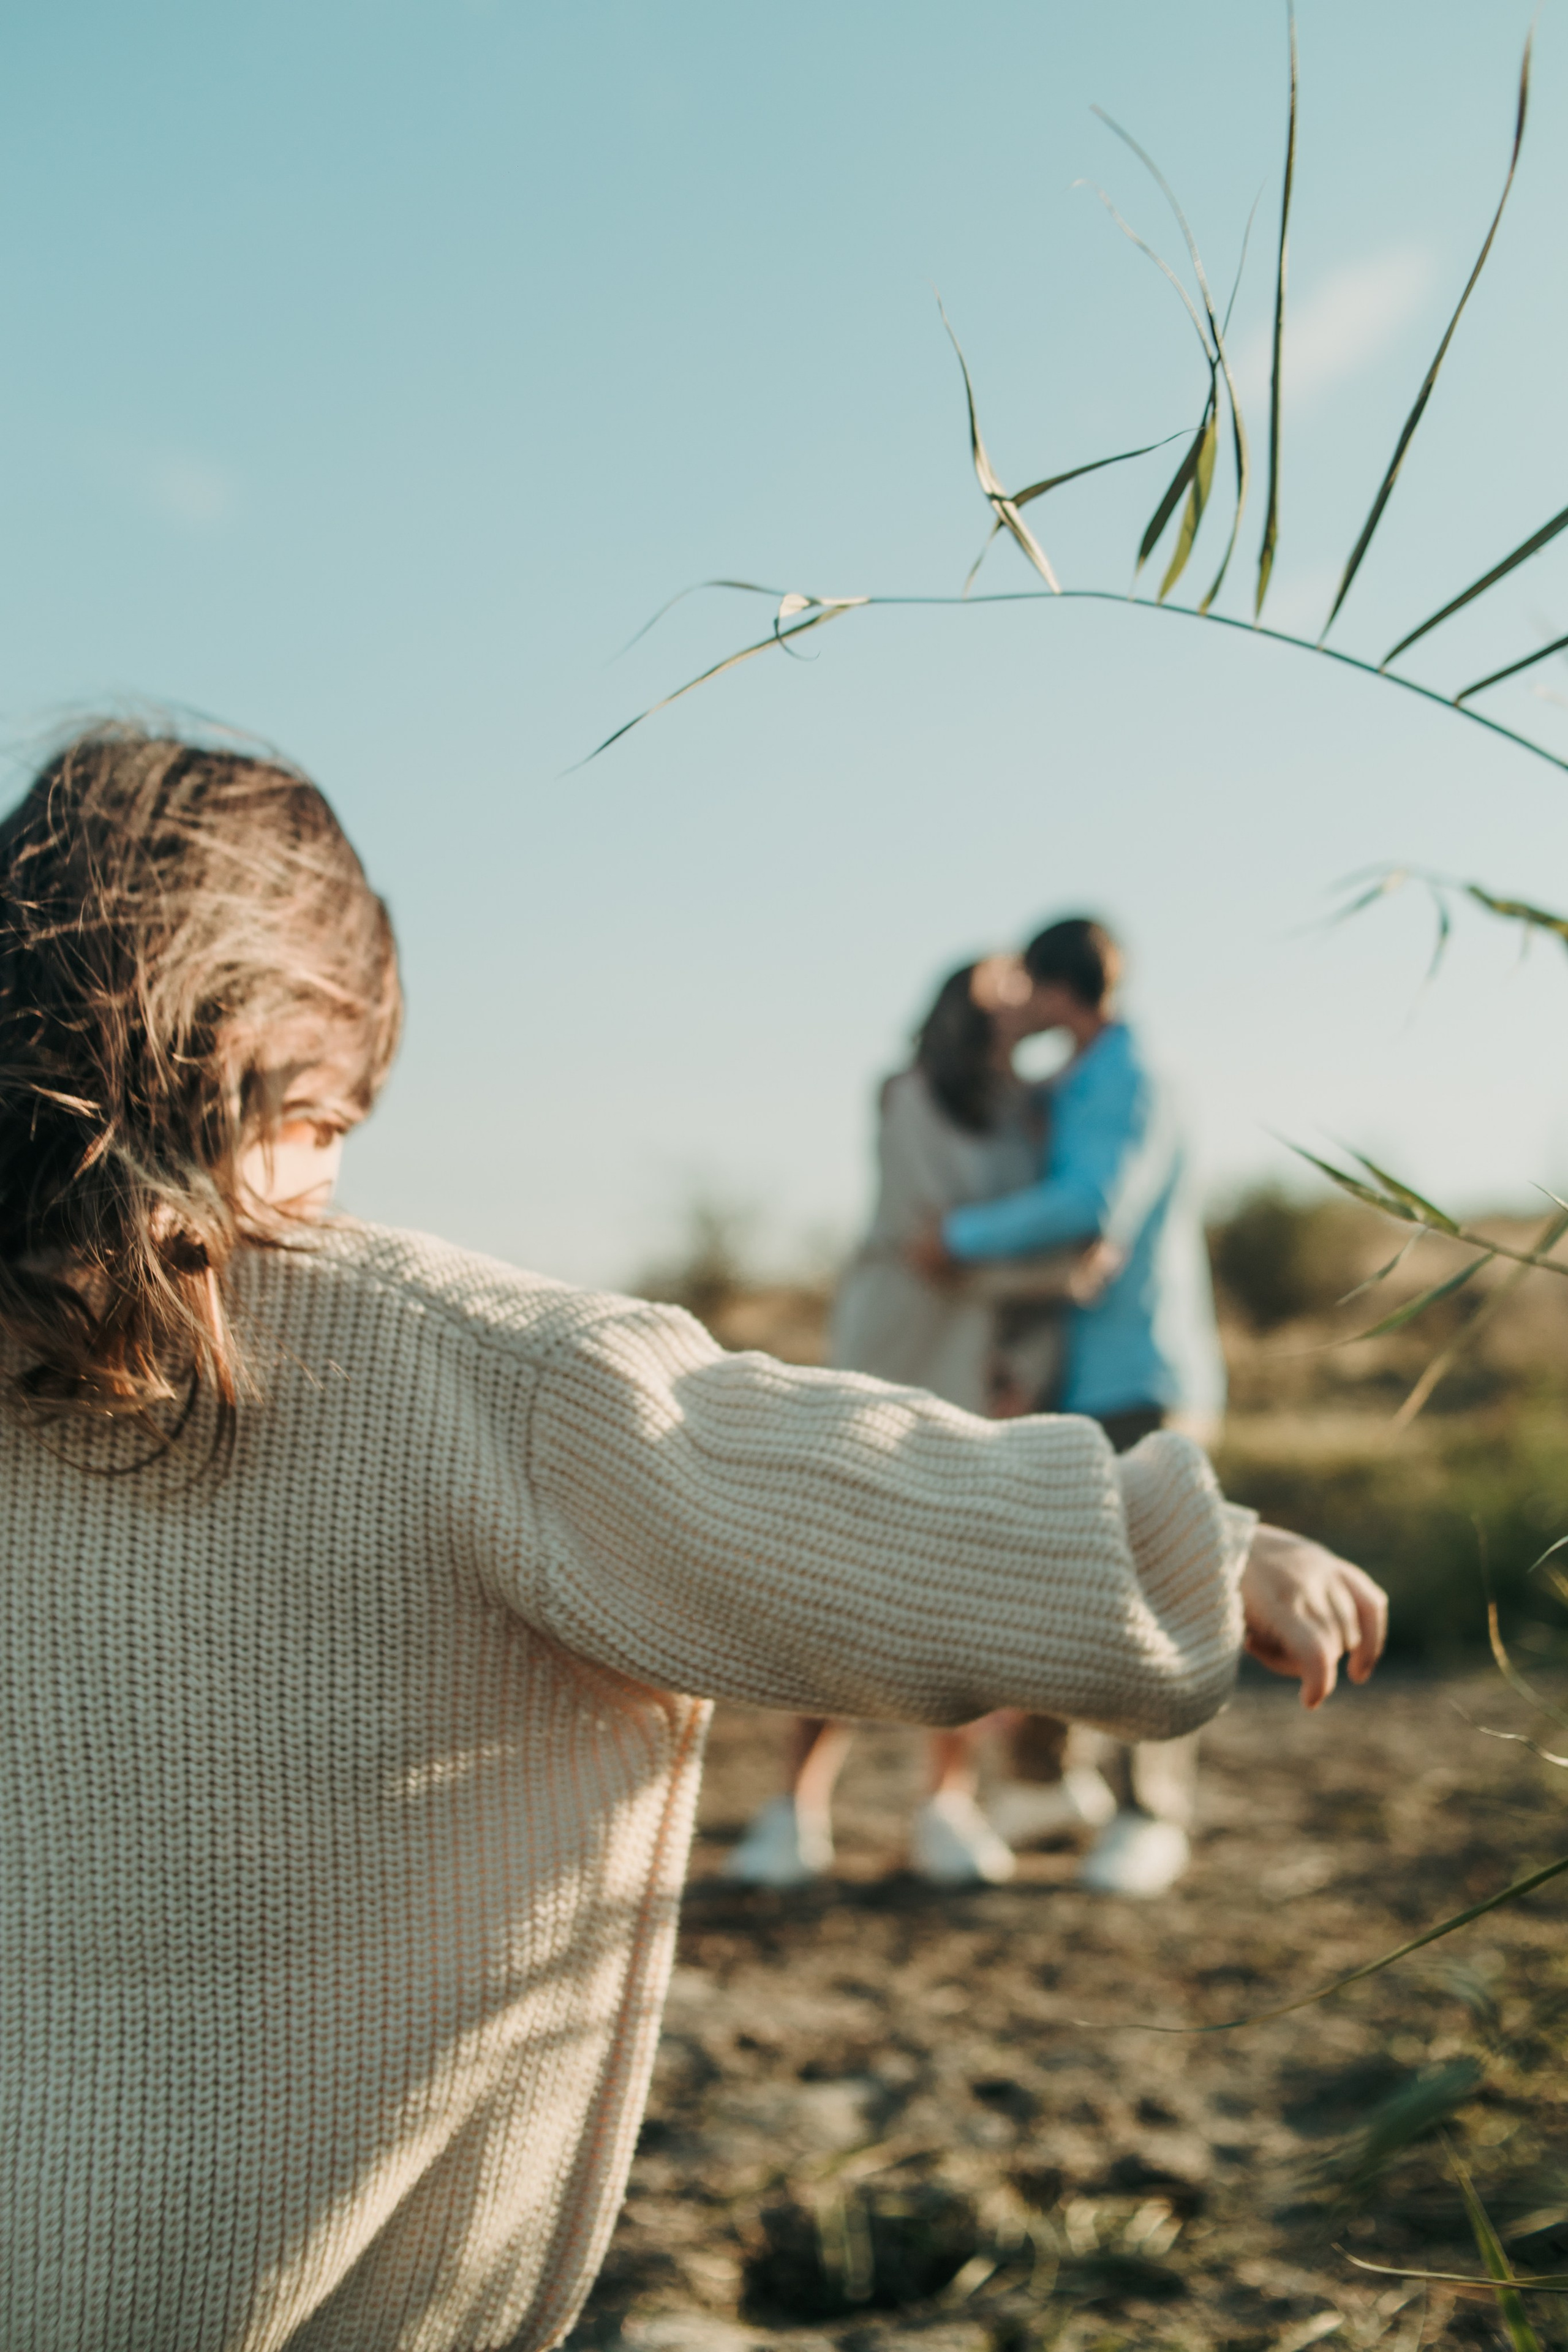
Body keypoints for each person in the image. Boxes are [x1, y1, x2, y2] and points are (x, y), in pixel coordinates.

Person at [0, 726, 1387, 2352]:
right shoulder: (447, 1360)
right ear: (295, 1043)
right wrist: (1181, 1553)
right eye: (340, 1118)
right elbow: (782, 1484)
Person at [725, 956, 1115, 1891]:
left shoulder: (1028, 1113)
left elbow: (1007, 1239)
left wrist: (1023, 1362)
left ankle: (947, 1807)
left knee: (960, 1593)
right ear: (965, 1008)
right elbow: (931, 1242)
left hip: (981, 1372)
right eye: (1002, 991)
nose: (1022, 1002)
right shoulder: (907, 1098)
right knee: (844, 1587)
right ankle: (795, 1813)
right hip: (895, 1353)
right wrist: (1058, 1278)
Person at [912, 916, 1229, 1899]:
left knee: (1154, 1589)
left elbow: (1095, 1206)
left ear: (1059, 993)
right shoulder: (1085, 1078)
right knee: (1072, 1581)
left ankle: (1151, 1814)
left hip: (1140, 1370)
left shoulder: (1131, 1077)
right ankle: (1055, 1781)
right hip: (1084, 1377)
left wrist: (957, 1235)